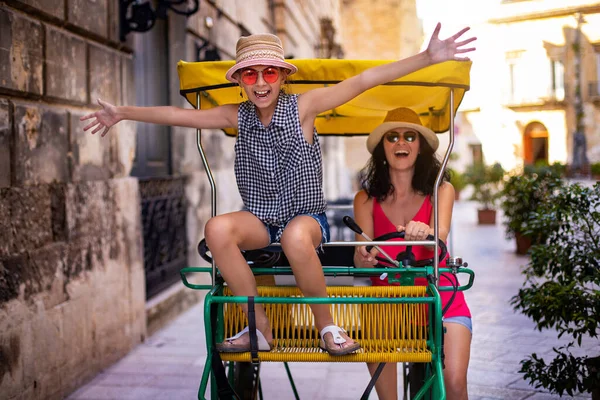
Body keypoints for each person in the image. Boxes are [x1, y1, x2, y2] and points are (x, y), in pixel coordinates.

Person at [81, 25, 476, 356]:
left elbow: (364, 80)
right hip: (260, 222)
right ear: (239, 81)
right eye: (250, 75)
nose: (260, 82)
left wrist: (427, 58)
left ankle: (327, 327)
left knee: (294, 234)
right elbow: (175, 115)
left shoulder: (304, 107)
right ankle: (259, 326)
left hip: (307, 221)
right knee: (216, 228)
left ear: (283, 77)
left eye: (269, 73)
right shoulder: (235, 116)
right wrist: (121, 113)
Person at [353, 107, 472, 399]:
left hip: (439, 297)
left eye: (410, 136)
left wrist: (426, 232)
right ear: (382, 149)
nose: (401, 143)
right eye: (392, 137)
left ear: (420, 148)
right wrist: (365, 257)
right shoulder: (365, 199)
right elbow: (360, 252)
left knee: (454, 384)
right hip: (386, 303)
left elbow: (440, 236)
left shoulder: (441, 190)